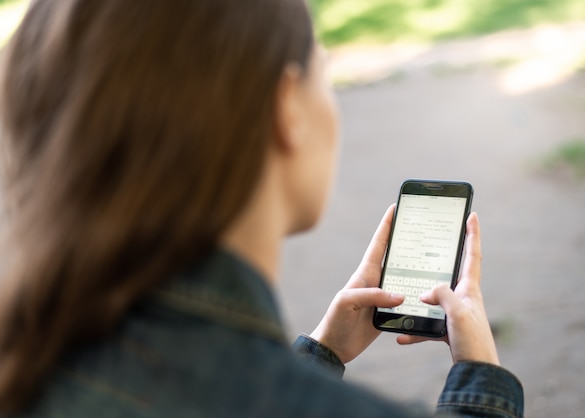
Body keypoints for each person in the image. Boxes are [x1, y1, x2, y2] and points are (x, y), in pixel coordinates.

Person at [0, 0, 523, 416]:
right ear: (287, 108)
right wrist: (481, 378)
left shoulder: (29, 365)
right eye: (324, 69)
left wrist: (320, 355)